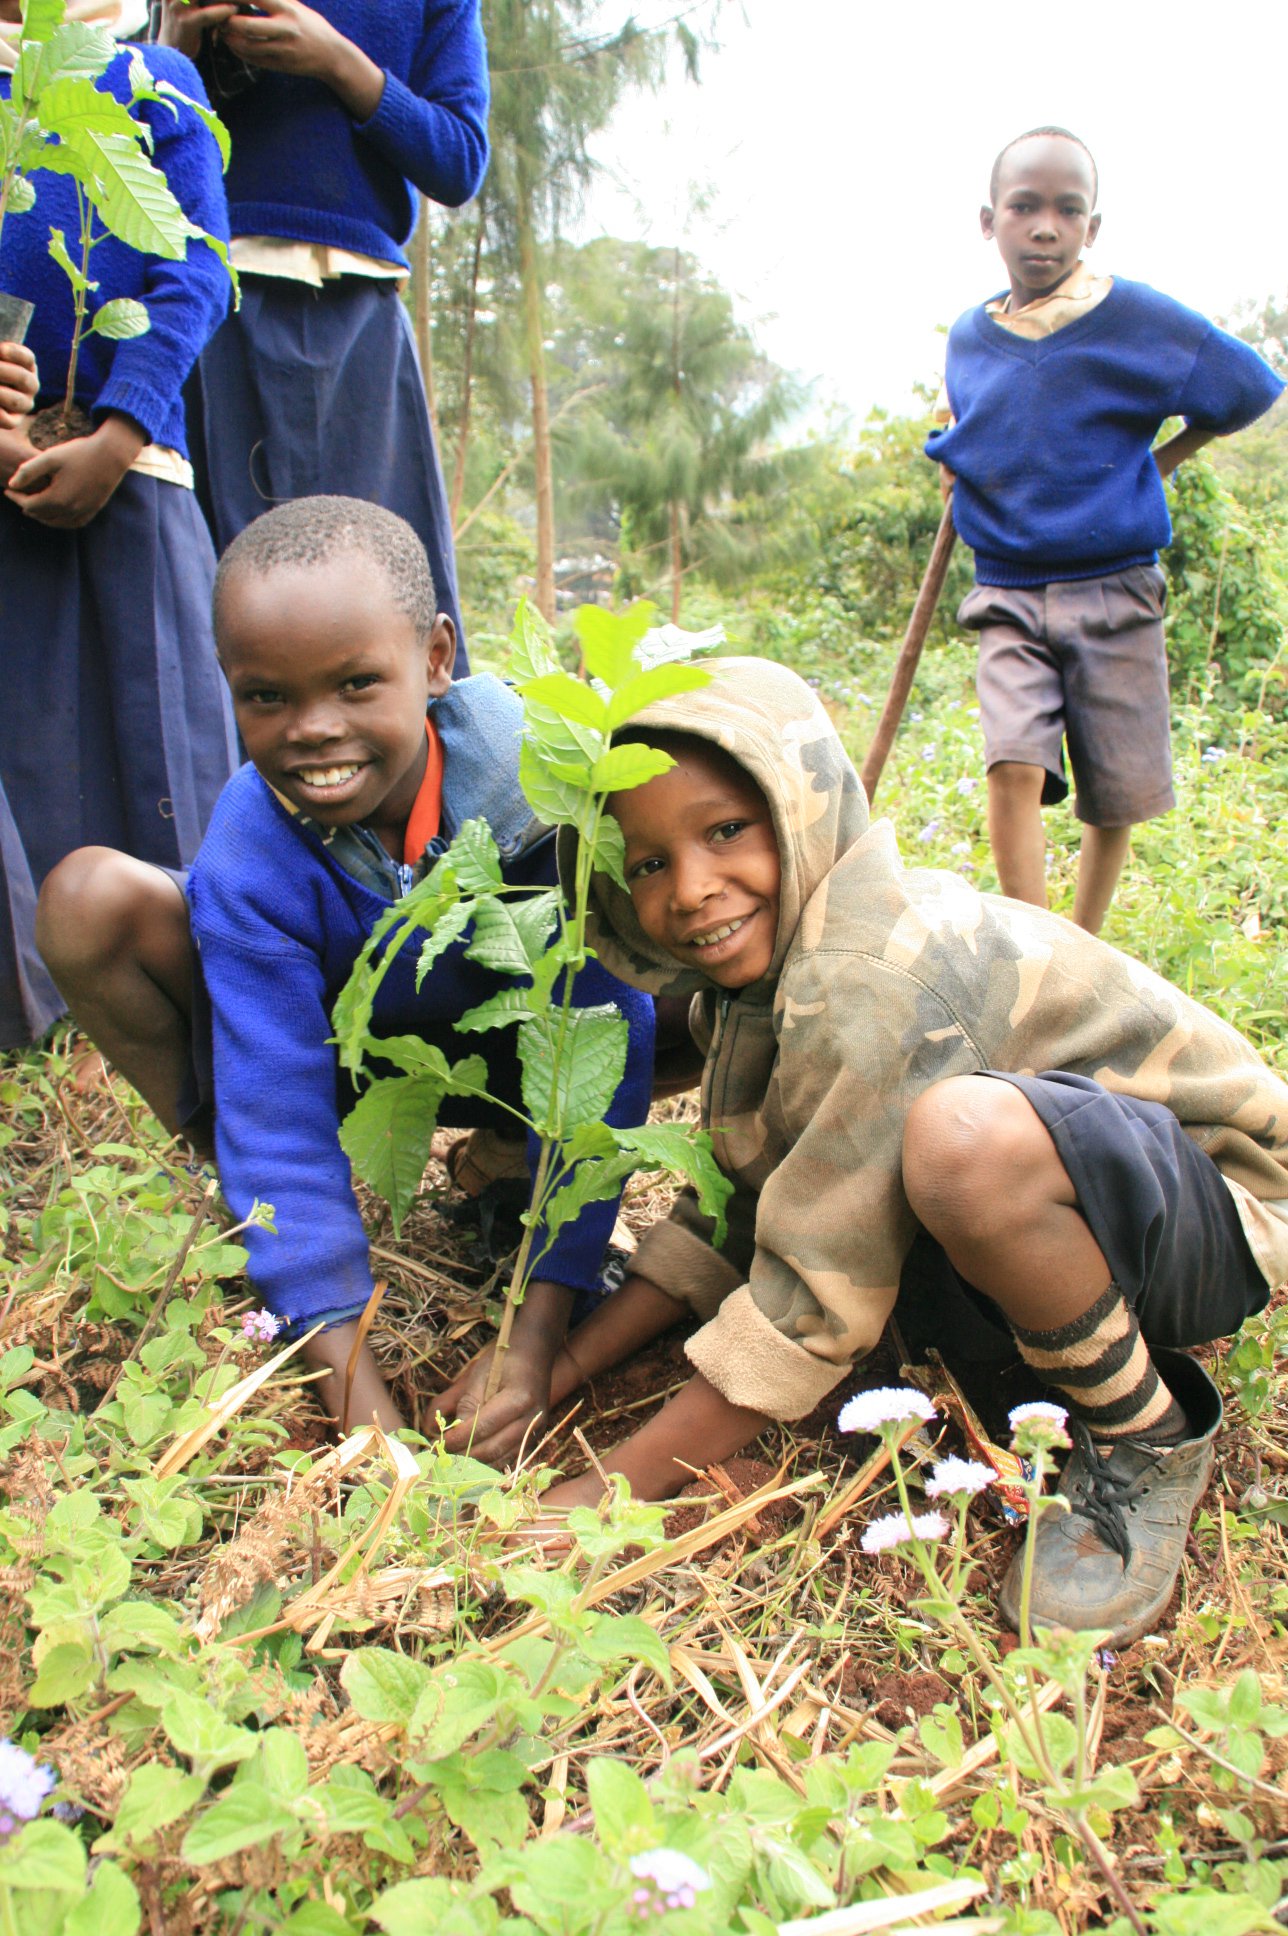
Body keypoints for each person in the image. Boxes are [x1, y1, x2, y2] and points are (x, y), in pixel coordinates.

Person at [514, 656, 1288, 1646]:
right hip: (1107, 1195)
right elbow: (743, 1208)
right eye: (648, 863)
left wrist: (599, 1499)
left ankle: (1147, 1436)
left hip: (1228, 1209)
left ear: (801, 807)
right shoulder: (758, 983)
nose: (692, 890)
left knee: (962, 1149)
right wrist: (556, 1369)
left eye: (724, 832)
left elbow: (808, 1303)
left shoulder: (866, 981)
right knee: (932, 1162)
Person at [36, 496, 654, 1445]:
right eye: (267, 697)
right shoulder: (255, 842)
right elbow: (280, 1104)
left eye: (358, 683)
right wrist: (358, 1401)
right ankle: (269, 1224)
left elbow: (600, 1048)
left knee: (672, 986)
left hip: (516, 1060)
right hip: (348, 1062)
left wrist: (535, 1337)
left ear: (437, 659)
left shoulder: (544, 790)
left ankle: (508, 1170)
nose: (312, 730)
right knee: (84, 900)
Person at [927, 126, 1283, 935]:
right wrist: (950, 450)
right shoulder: (969, 336)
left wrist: (1155, 464)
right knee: (1012, 761)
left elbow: (1247, 386)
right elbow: (982, 422)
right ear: (990, 222)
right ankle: (1036, 945)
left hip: (1116, 585)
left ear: (1093, 226)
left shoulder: (1133, 317)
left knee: (1112, 787)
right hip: (1008, 589)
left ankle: (1085, 945)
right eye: (1024, 207)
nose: (1044, 226)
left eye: (1067, 209)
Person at [0, 1, 238, 1049]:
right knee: (31, 749)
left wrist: (120, 427)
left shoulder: (150, 86)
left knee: (168, 752)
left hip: (134, 472)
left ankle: (202, 1006)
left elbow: (197, 270)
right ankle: (48, 1024)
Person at [155, 0, 487, 667]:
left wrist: (338, 61)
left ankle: (433, 770)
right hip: (212, 303)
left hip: (359, 309)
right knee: (212, 602)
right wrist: (173, 50)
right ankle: (227, 776)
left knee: (394, 596)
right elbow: (133, 151)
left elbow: (459, 161)